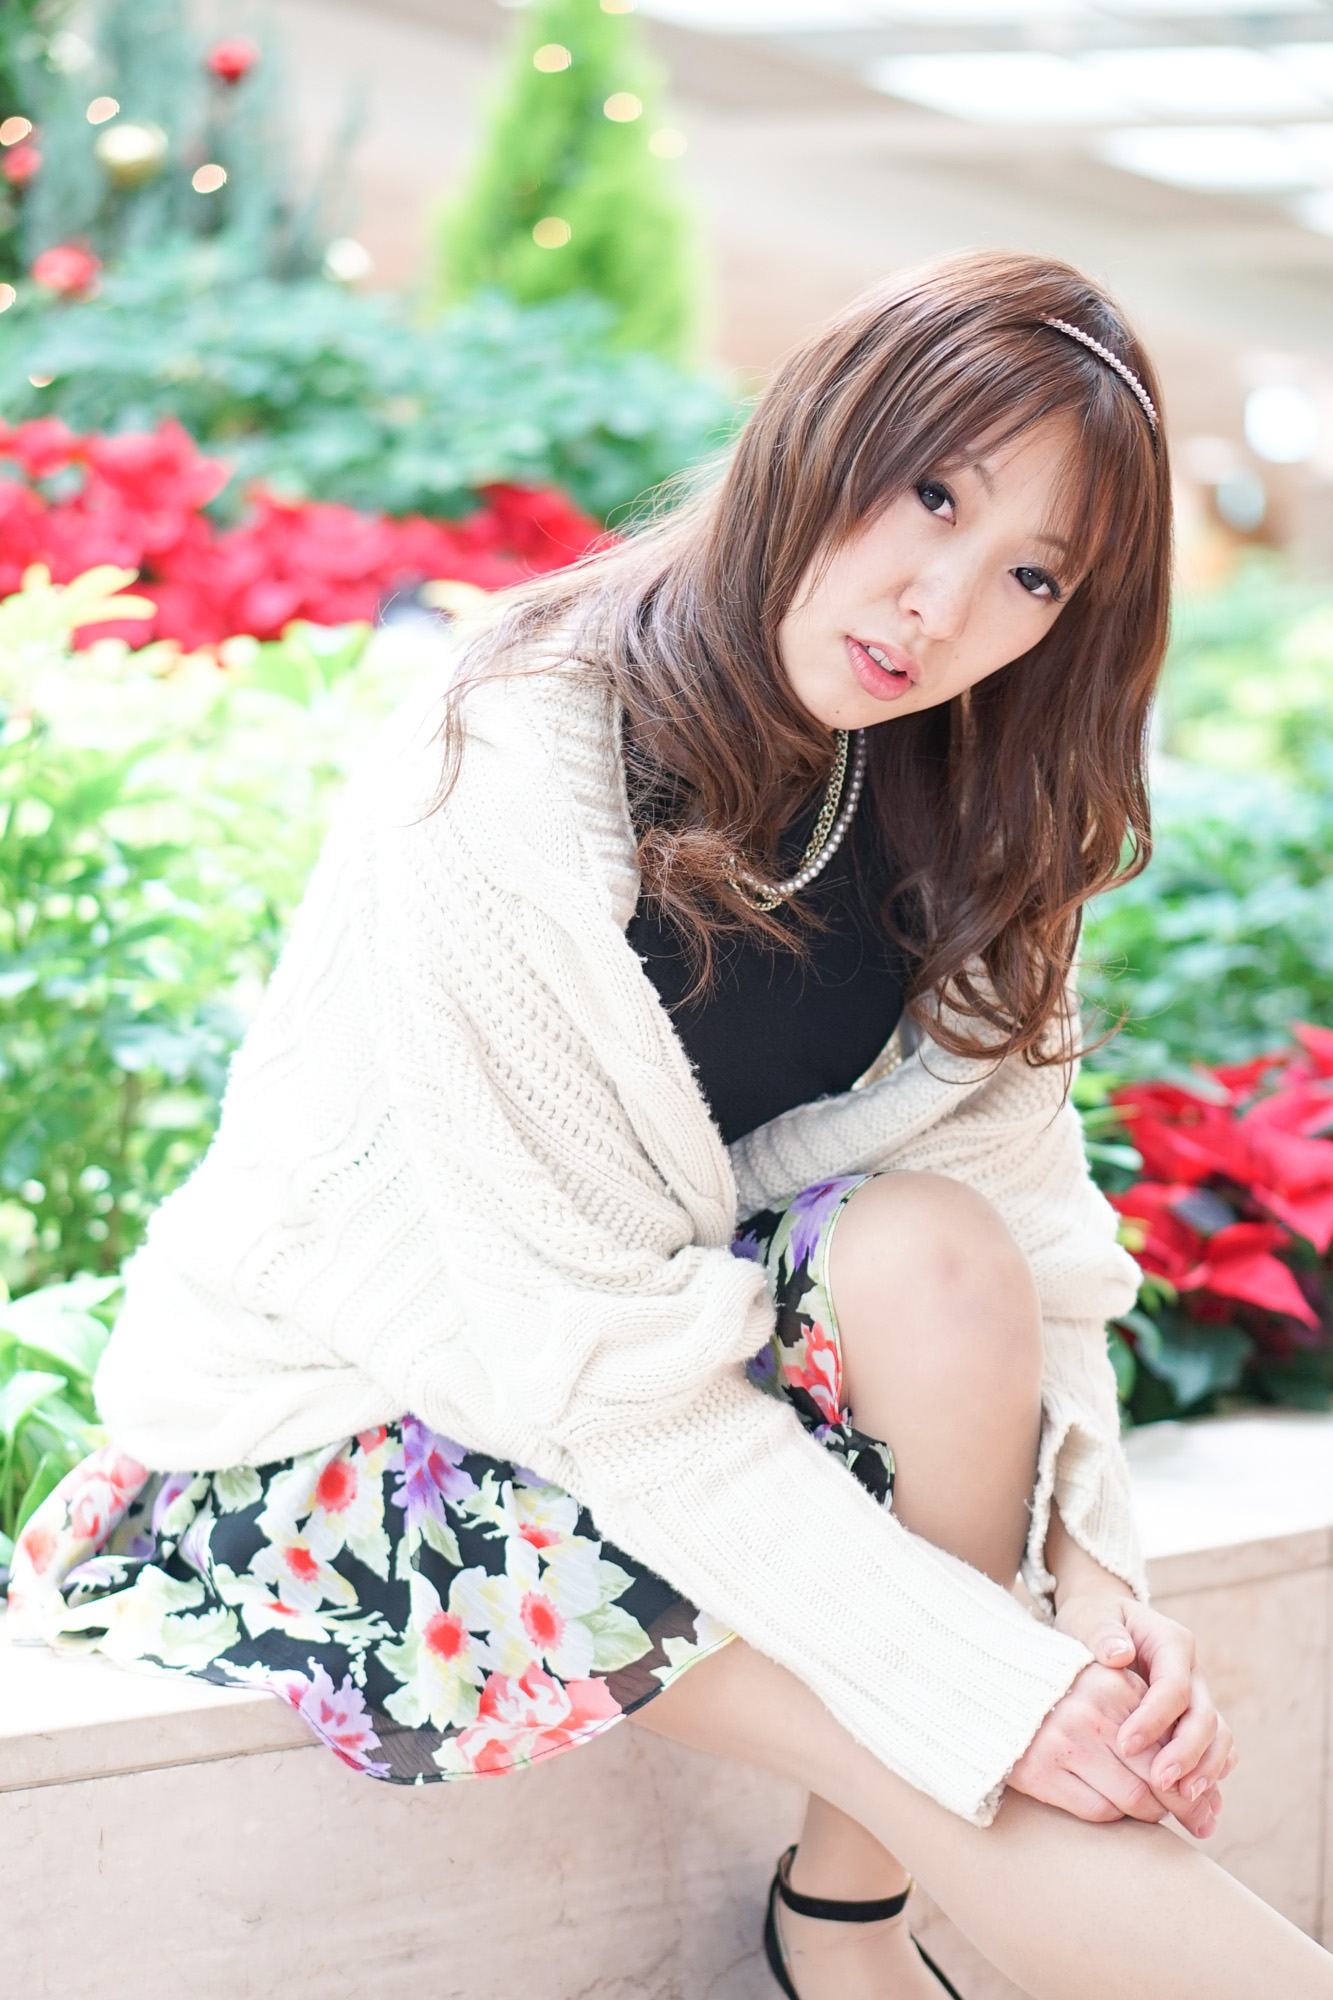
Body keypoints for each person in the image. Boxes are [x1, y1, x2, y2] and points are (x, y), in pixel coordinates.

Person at [10, 250, 1332, 2000]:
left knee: (943, 1258)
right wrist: (998, 1685)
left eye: (1030, 574)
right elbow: (599, 1377)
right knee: (957, 1736)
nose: (939, 604)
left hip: (638, 1389)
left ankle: (841, 1911)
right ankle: (846, 1957)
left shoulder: (971, 799)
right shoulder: (510, 753)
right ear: (822, 430)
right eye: (931, 494)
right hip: (352, 1443)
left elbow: (1028, 1231)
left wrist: (1092, 1592)